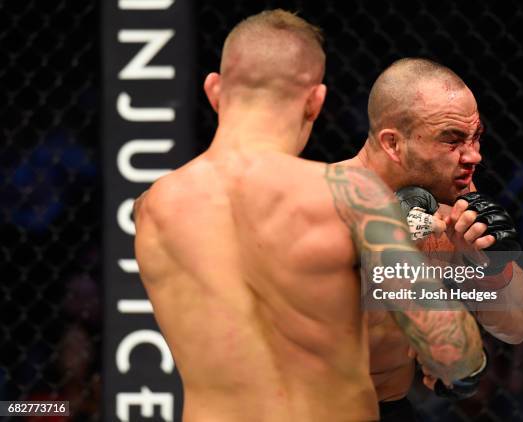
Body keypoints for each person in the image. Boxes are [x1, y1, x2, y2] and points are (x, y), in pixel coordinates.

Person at [134, 12, 485, 422]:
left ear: (214, 91)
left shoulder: (153, 209)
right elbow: (454, 354)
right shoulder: (349, 197)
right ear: (315, 101)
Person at [340, 58, 523, 420]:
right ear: (393, 144)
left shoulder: (451, 208)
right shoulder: (321, 205)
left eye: (476, 136)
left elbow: (519, 325)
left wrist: (490, 268)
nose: (474, 155)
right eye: (452, 140)